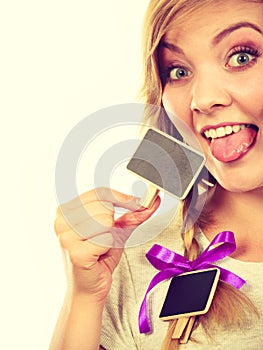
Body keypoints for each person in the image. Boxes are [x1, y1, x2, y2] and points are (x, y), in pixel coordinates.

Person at [49, 0, 263, 349]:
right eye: (178, 71)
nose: (203, 99)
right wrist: (84, 296)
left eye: (241, 56)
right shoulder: (133, 258)